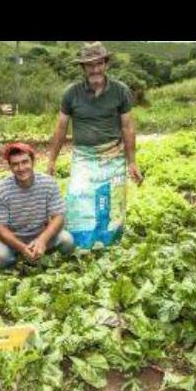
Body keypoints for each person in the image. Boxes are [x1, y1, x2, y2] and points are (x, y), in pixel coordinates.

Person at [47, 42, 144, 249]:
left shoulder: (120, 91)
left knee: (111, 203)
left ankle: (109, 247)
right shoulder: (71, 93)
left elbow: (127, 127)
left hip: (113, 156)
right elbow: (61, 128)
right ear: (83, 68)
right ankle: (81, 247)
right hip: (83, 157)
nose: (95, 69)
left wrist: (132, 162)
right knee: (78, 198)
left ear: (105, 64)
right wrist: (51, 161)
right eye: (90, 65)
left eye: (99, 64)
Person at [0, 143, 74, 269]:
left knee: (67, 241)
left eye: (25, 162)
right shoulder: (1, 189)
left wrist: (42, 240)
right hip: (13, 238)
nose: (21, 168)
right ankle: (20, 261)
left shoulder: (47, 183)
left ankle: (39, 254)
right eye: (15, 164)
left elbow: (58, 217)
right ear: (10, 167)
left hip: (40, 233)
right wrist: (22, 248)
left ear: (33, 162)